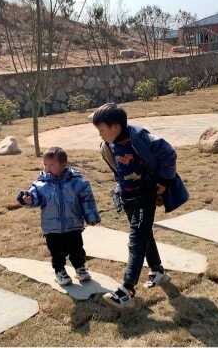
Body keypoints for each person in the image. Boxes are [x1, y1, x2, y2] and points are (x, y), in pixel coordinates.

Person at [93, 102, 189, 309]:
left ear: (115, 127)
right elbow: (118, 169)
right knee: (144, 234)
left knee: (137, 238)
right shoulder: (109, 144)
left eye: (102, 130)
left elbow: (169, 153)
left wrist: (163, 182)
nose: (100, 134)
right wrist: (120, 187)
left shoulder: (139, 137)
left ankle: (127, 289)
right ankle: (158, 270)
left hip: (146, 194)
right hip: (128, 196)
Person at [17, 146, 101, 286]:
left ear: (64, 164)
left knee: (77, 249)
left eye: (52, 165)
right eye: (45, 165)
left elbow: (87, 199)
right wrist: (28, 198)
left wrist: (91, 216)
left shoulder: (77, 182)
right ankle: (60, 271)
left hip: (73, 225)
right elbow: (35, 198)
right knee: (57, 252)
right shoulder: (40, 184)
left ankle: (80, 268)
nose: (47, 168)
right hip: (52, 228)